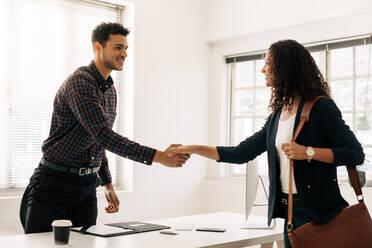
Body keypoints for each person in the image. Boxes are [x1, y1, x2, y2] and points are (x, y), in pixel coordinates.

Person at [168, 40, 365, 248]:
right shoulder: (277, 116)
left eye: (268, 63)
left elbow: (355, 153)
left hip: (322, 214)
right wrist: (192, 149)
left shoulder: (321, 107)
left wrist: (308, 152)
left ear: (286, 67)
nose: (263, 69)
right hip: (290, 214)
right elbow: (240, 153)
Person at [22, 22, 189, 234]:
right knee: (40, 245)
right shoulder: (80, 82)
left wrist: (107, 183)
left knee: (87, 244)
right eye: (118, 47)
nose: (125, 54)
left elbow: (96, 143)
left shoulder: (110, 90)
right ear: (98, 47)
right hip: (54, 182)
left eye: (126, 48)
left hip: (87, 187)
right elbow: (103, 136)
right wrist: (159, 156)